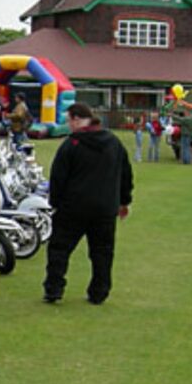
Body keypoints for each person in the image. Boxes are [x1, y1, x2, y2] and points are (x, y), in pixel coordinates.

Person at [42, 102, 133, 305]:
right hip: (105, 208)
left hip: (74, 207)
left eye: (68, 121)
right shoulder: (113, 142)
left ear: (76, 119)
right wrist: (124, 200)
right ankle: (99, 291)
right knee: (102, 251)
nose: (68, 126)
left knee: (59, 249)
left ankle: (54, 288)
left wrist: (55, 202)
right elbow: (125, 174)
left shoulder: (71, 145)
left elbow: (58, 177)